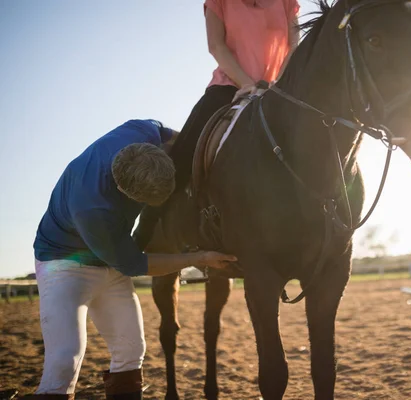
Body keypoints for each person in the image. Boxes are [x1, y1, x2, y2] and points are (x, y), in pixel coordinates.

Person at [24, 119, 237, 400]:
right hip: (65, 265)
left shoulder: (141, 130)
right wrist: (200, 257)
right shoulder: (94, 208)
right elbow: (135, 264)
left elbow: (177, 138)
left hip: (110, 263)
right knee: (65, 359)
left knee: (131, 350)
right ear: (125, 193)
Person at [133, 0, 300, 248]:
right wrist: (250, 85)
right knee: (180, 158)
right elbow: (216, 46)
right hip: (229, 87)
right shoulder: (219, 2)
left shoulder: (287, 3)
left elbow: (294, 46)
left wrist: (275, 86)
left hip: (277, 92)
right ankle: (143, 235)